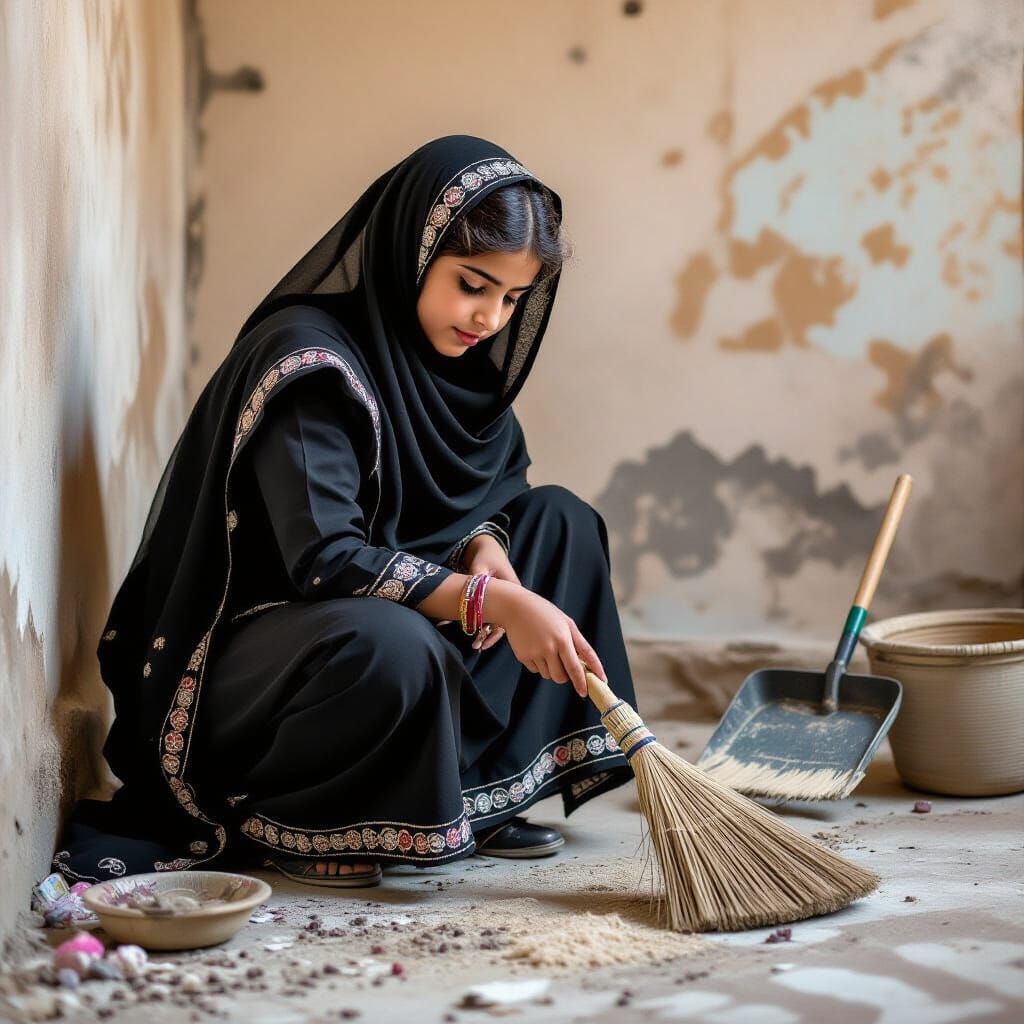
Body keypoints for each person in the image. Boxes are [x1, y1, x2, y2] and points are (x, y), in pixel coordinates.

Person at [52, 135, 640, 889]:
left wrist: (482, 546)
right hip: (267, 664)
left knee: (562, 524)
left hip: (376, 631)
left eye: (512, 299)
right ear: (412, 250)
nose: (490, 318)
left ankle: (466, 798)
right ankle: (308, 817)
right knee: (394, 645)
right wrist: (495, 602)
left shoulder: (454, 373)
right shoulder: (307, 364)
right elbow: (326, 559)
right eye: (473, 285)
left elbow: (484, 493)